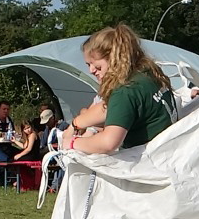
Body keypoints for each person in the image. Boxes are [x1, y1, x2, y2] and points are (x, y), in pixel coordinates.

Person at [61, 24, 174, 153]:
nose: (91, 70)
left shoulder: (124, 91)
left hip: (147, 158)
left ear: (115, 59)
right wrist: (76, 123)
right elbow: (109, 108)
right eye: (88, 65)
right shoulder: (147, 73)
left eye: (97, 66)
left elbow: (108, 143)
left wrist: (72, 142)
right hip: (167, 149)